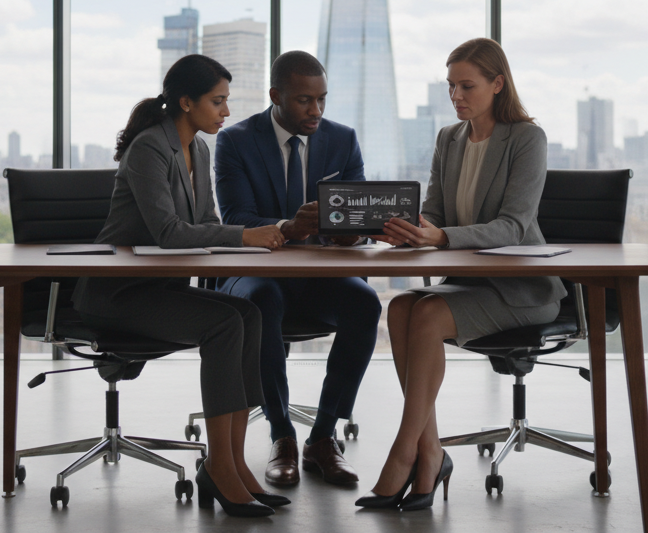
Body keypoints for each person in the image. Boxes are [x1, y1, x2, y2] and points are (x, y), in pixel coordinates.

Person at [72, 54, 287, 518]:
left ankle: (233, 463)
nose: (226, 113)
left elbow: (207, 222)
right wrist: (243, 235)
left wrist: (251, 241)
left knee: (247, 314)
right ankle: (221, 469)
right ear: (186, 102)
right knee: (224, 325)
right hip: (116, 294)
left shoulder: (200, 149)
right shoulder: (150, 148)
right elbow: (168, 231)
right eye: (218, 101)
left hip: (159, 289)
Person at [355, 38, 565, 512]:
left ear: (497, 83)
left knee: (425, 315)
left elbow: (512, 226)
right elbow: (433, 211)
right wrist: (411, 230)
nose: (456, 96)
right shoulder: (449, 138)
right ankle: (430, 452)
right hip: (468, 284)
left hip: (521, 289)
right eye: (451, 86)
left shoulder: (527, 139)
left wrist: (441, 238)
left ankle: (405, 453)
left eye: (467, 85)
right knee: (404, 307)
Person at [212, 50, 380, 487]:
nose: (316, 111)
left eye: (322, 99)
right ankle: (281, 433)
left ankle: (323, 437)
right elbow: (234, 219)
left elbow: (358, 216)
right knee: (263, 300)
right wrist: (287, 227)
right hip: (257, 273)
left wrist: (352, 235)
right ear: (276, 96)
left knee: (365, 304)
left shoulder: (342, 140)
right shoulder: (236, 141)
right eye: (305, 100)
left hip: (319, 274)